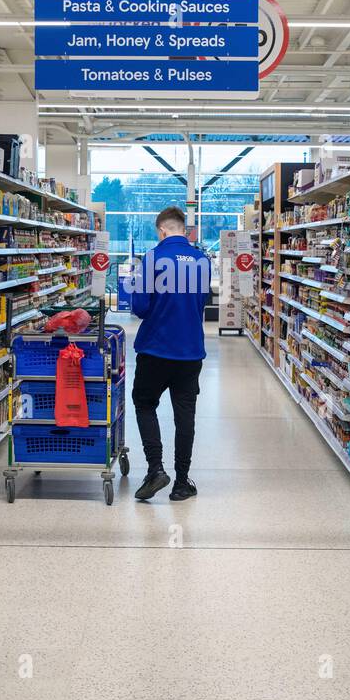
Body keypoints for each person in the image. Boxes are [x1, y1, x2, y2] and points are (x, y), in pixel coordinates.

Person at [128, 206, 211, 501]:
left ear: (162, 230)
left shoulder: (151, 259)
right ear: (183, 229)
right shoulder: (202, 260)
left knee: (145, 402)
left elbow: (139, 307)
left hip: (155, 348)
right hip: (190, 351)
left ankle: (155, 469)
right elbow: (202, 301)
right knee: (184, 414)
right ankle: (181, 483)